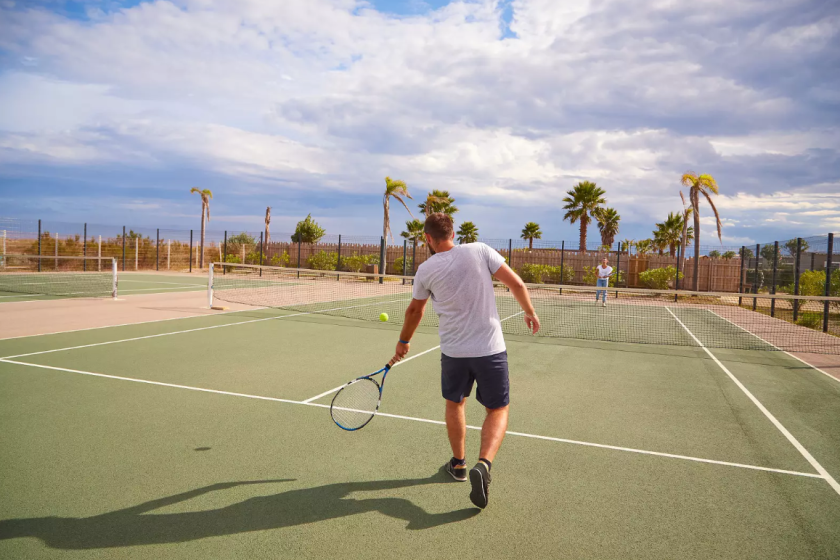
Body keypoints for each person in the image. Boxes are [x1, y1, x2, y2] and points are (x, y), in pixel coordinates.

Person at [391, 213, 540, 510]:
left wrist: (403, 341)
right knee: (497, 409)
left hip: (454, 353)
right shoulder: (480, 250)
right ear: (453, 232)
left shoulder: (425, 269)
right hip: (490, 350)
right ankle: (483, 464)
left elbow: (414, 312)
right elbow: (517, 284)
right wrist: (529, 311)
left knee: (455, 404)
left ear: (429, 239)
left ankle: (459, 465)